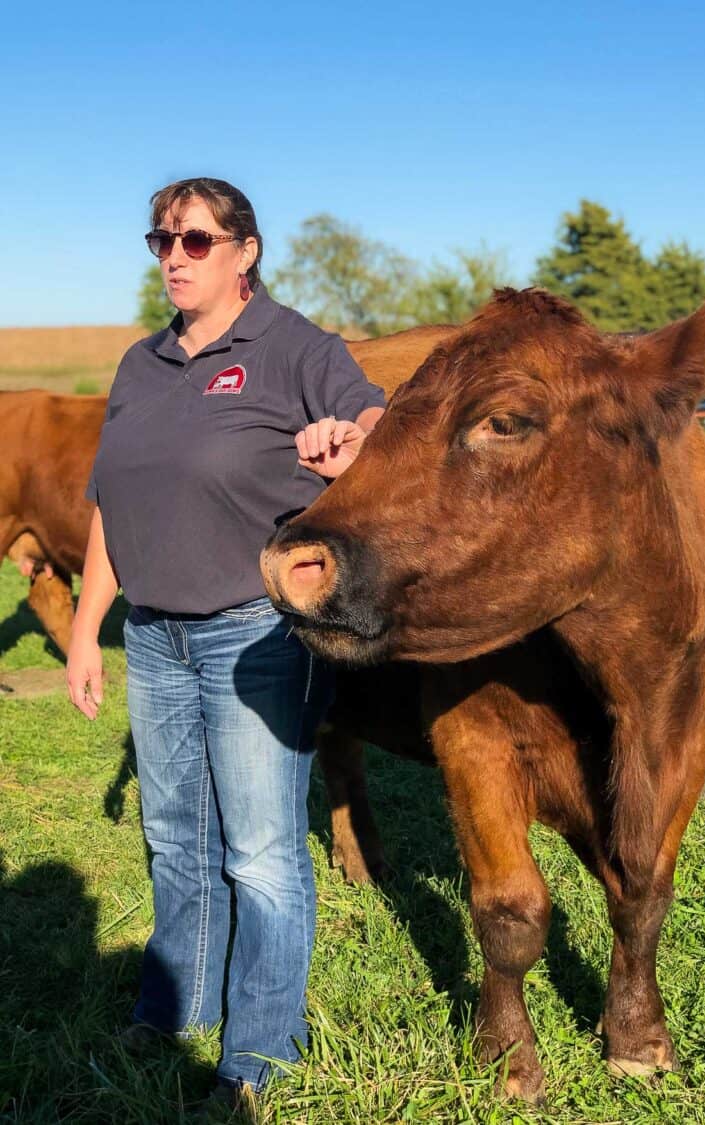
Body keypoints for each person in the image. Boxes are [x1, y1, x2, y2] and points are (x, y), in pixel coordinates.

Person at [66, 177, 385, 1104]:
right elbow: (109, 506)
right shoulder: (140, 364)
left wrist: (348, 439)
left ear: (245, 250)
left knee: (259, 848)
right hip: (154, 633)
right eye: (161, 239)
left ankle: (259, 1047)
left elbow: (373, 417)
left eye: (196, 240)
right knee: (174, 835)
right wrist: (88, 628)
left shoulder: (292, 346)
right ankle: (178, 1007)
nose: (174, 256)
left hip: (256, 634)